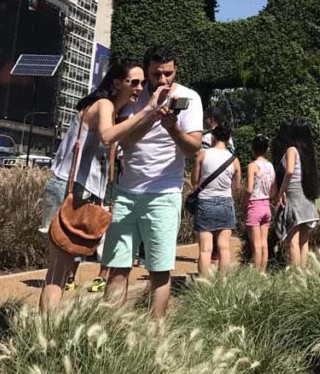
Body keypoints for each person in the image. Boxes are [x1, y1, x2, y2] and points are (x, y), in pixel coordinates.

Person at [38, 59, 164, 312]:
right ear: (117, 83)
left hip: (81, 191)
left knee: (61, 270)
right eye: (134, 82)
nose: (140, 88)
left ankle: (50, 326)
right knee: (58, 270)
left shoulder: (111, 110)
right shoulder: (104, 105)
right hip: (70, 189)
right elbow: (107, 135)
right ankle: (47, 328)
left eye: (142, 83)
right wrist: (148, 110)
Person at [103, 45, 203, 317]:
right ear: (147, 72)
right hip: (126, 192)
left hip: (163, 193)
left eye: (168, 73)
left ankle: (155, 330)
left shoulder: (189, 98)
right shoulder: (134, 96)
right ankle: (112, 328)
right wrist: (150, 113)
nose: (163, 81)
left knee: (159, 269)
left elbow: (193, 150)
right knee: (117, 266)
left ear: (175, 71)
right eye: (157, 74)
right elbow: (124, 140)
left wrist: (172, 127)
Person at [191, 123, 240, 278]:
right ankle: (222, 284)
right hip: (225, 201)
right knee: (224, 247)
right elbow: (237, 186)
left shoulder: (203, 154)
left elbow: (194, 180)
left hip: (205, 201)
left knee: (205, 249)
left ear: (213, 137)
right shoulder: (234, 160)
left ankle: (204, 285)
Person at [272, 120, 320, 268]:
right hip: (308, 201)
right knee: (304, 243)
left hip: (294, 199)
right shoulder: (307, 153)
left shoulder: (291, 150)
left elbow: (290, 171)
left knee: (292, 242)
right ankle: (302, 276)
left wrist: (281, 192)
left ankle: (295, 275)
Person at [245, 134, 275, 272]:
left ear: (253, 148)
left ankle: (256, 273)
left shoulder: (252, 166)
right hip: (266, 205)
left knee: (256, 245)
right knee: (264, 243)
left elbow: (249, 189)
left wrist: (244, 204)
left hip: (254, 205)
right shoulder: (270, 166)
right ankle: (263, 272)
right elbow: (274, 189)